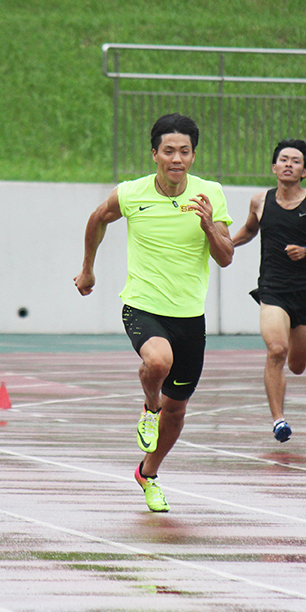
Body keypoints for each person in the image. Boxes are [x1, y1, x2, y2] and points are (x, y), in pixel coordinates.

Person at [74, 113, 234, 512]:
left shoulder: (209, 194)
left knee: (177, 411)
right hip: (143, 305)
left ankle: (148, 473)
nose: (176, 159)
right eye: (168, 151)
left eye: (184, 151)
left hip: (189, 316)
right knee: (157, 361)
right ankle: (148, 407)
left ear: (193, 156)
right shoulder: (132, 193)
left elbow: (226, 257)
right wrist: (88, 268)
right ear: (154, 154)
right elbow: (97, 218)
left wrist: (209, 225)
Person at [232, 139, 306, 443]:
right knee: (277, 349)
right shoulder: (260, 201)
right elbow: (251, 229)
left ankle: (285, 389)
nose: (289, 164)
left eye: (296, 161)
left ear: (304, 171)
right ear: (274, 167)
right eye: (283, 159)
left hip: (305, 292)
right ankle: (278, 420)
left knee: (297, 365)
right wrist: (228, 243)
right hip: (272, 289)